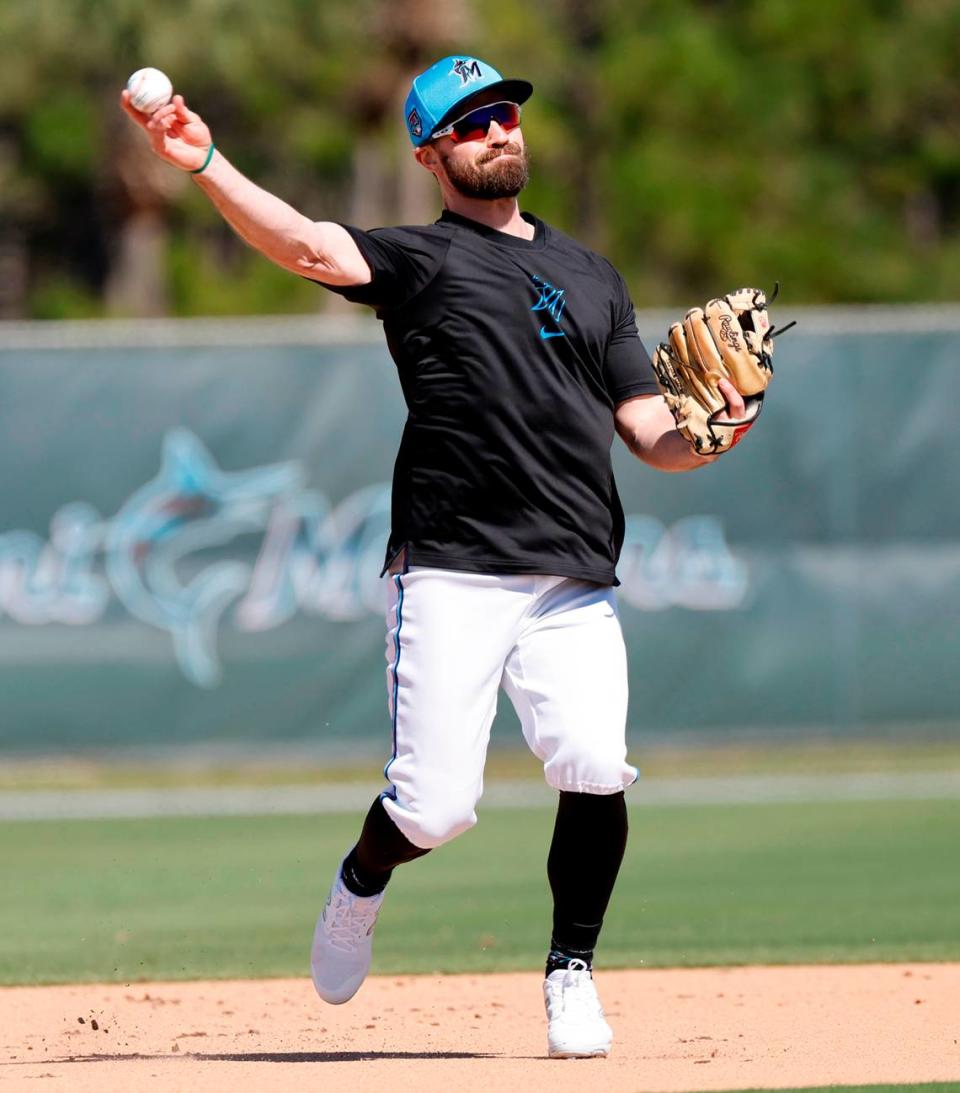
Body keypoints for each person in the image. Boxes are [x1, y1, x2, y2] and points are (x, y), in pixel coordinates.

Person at [122, 53, 746, 1060]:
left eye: (504, 112)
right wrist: (207, 164)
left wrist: (716, 430)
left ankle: (571, 971)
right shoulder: (424, 261)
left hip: (575, 574)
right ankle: (361, 881)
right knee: (436, 805)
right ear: (431, 153)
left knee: (594, 763)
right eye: (470, 122)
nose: (498, 130)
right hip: (452, 568)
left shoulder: (595, 275)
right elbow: (310, 246)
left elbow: (648, 430)